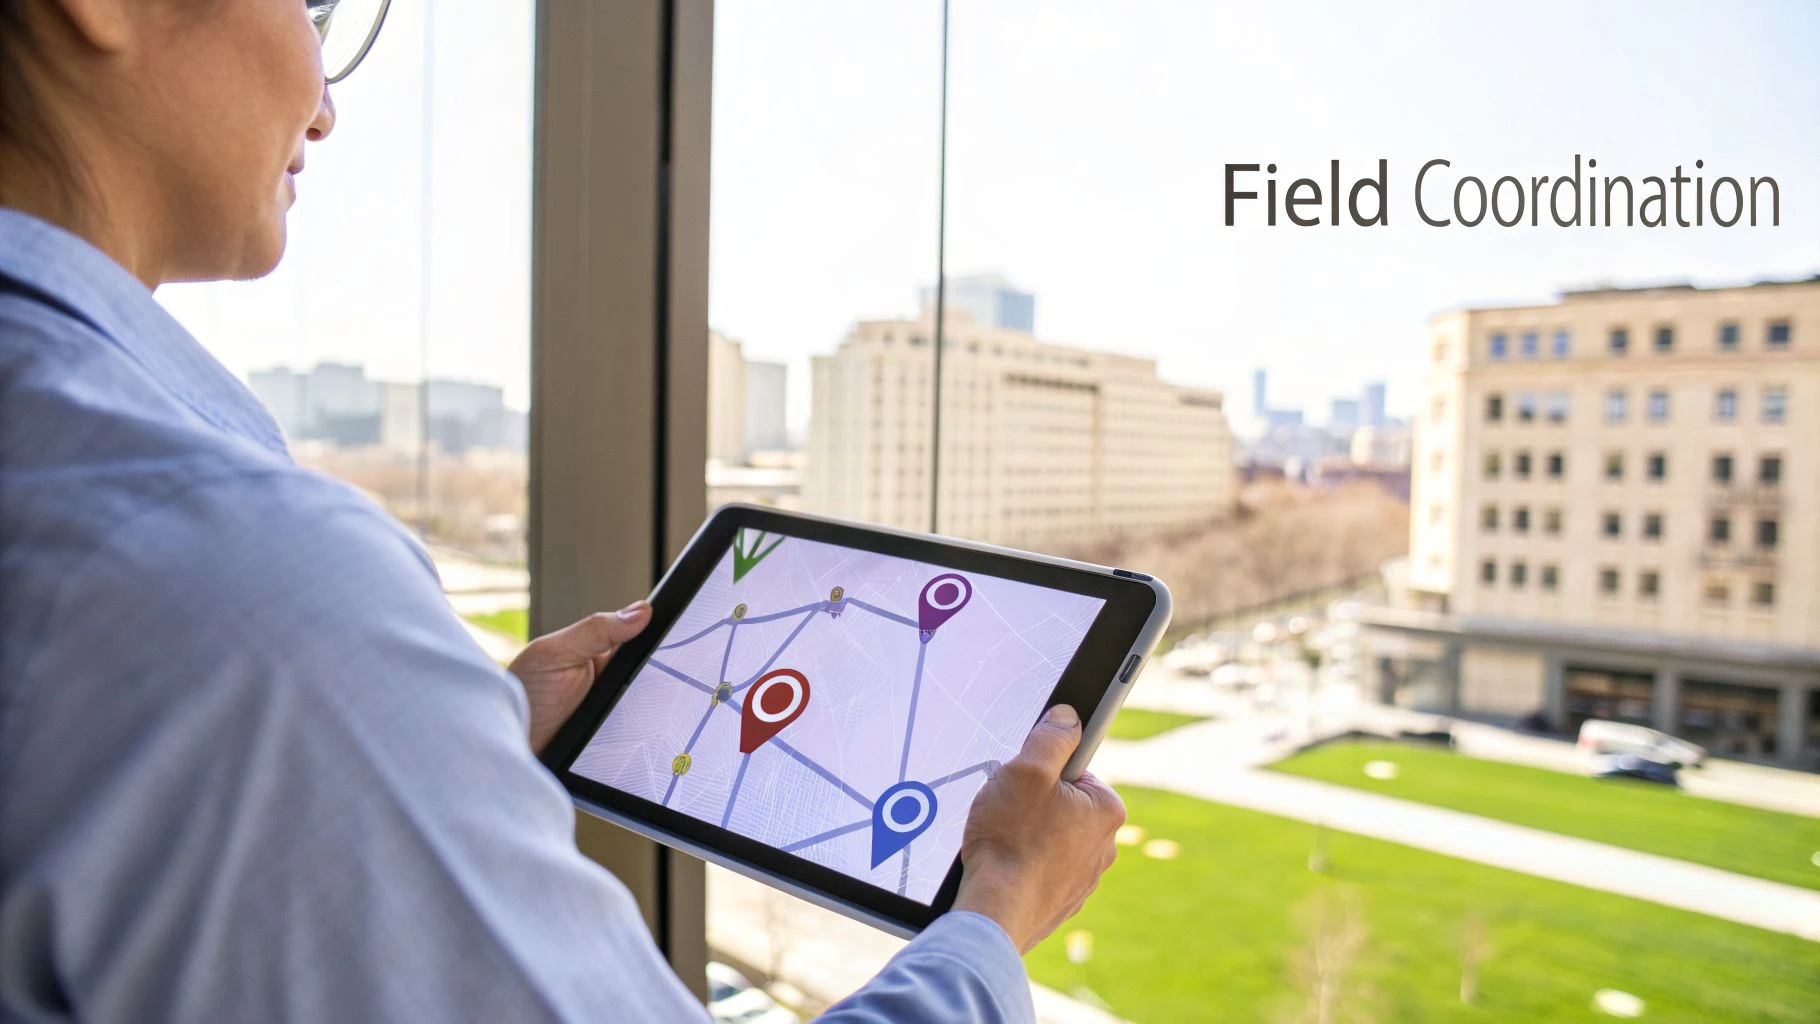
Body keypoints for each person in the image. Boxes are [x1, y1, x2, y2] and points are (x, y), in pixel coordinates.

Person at [0, 2, 1125, 1021]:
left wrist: (434, 744)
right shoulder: (233, 574)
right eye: (313, 4)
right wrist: (992, 917)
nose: (328, 103)